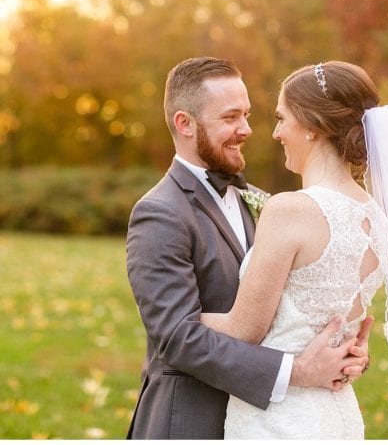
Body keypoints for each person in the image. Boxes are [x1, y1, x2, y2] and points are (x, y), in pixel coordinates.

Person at [199, 61, 388, 439]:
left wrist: (169, 317)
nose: (277, 132)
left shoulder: (290, 210)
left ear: (312, 125)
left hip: (279, 420)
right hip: (337, 414)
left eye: (282, 119)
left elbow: (243, 330)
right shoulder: (376, 219)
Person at [124, 57, 372, 440]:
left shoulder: (262, 203)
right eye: (230, 117)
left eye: (248, 115)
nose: (248, 130)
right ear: (184, 124)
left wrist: (342, 354)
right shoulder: (159, 214)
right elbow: (176, 338)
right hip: (194, 420)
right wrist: (300, 370)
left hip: (280, 419)